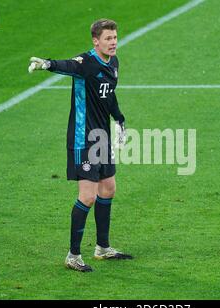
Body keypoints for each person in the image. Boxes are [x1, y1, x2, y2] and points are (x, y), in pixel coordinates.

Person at [28, 18, 133, 272]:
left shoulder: (113, 63)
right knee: (87, 196)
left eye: (115, 38)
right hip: (82, 139)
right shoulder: (85, 62)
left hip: (101, 137)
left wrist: (119, 120)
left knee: (108, 188)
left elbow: (109, 95)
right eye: (108, 38)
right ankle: (73, 255)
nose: (113, 42)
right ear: (95, 41)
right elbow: (67, 65)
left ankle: (102, 248)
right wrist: (47, 64)